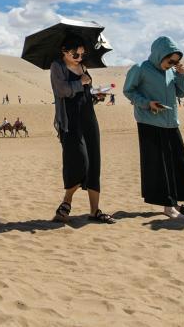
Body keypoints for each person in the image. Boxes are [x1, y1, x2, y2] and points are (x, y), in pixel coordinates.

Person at [123, 37, 184, 222]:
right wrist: (147, 103)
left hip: (171, 122)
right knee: (161, 166)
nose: (172, 64)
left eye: (176, 62)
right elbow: (128, 91)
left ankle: (175, 203)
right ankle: (168, 207)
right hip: (150, 123)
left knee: (177, 164)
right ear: (160, 55)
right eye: (170, 61)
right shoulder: (140, 68)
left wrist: (181, 75)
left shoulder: (171, 72)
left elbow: (181, 93)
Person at [51, 35, 114, 224]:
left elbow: (87, 93)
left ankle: (95, 211)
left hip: (89, 118)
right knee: (79, 161)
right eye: (75, 54)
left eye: (81, 53)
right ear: (64, 51)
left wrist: (97, 95)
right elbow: (61, 91)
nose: (79, 57)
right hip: (70, 121)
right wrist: (81, 83)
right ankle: (66, 201)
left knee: (94, 162)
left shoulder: (84, 66)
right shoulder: (57, 66)